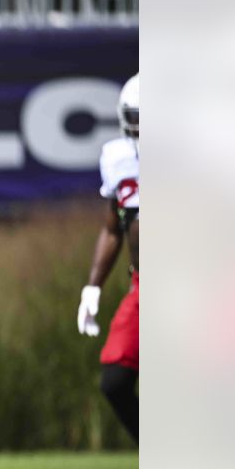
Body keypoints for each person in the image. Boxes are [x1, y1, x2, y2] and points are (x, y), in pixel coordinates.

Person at [77, 73, 139, 442]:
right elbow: (113, 226)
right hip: (144, 284)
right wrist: (92, 289)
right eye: (138, 117)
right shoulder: (120, 159)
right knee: (115, 380)